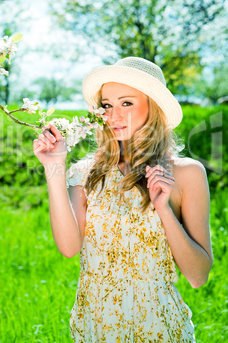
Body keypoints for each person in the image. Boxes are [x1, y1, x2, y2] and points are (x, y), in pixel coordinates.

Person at [33, 57, 213, 342]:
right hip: (96, 326)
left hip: (160, 328)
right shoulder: (84, 174)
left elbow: (198, 275)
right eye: (107, 105)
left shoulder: (186, 173)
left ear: (152, 107)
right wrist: (54, 167)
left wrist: (163, 210)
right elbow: (69, 248)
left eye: (126, 103)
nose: (114, 115)